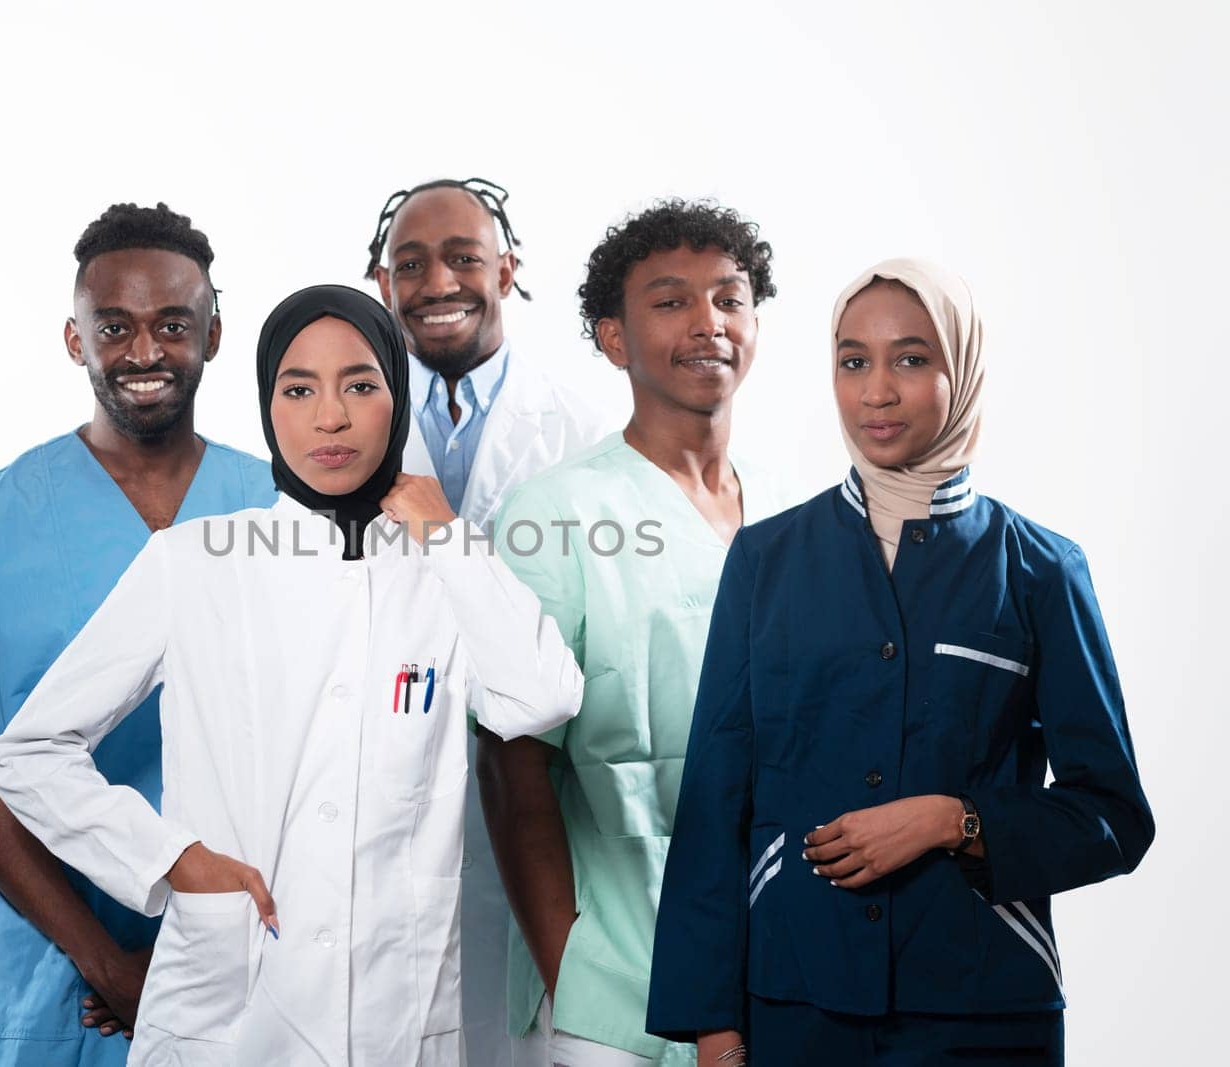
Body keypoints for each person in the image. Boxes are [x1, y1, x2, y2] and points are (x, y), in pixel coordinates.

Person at [0, 284, 584, 1066]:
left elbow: (541, 697)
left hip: (398, 1020)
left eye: (361, 385)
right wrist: (167, 858)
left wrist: (446, 535)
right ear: (268, 403)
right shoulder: (194, 563)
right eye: (298, 388)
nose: (329, 417)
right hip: (229, 1012)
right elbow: (27, 752)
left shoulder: (445, 570)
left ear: (395, 402)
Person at [646, 259, 1155, 1066]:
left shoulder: (1040, 569)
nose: (876, 391)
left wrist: (955, 819)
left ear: (964, 369)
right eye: (854, 361)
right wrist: (712, 1020)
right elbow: (715, 799)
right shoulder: (766, 559)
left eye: (911, 359)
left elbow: (1114, 817)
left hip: (981, 1007)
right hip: (795, 996)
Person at [0, 204, 274, 1066]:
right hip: (45, 965)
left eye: (173, 324)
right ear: (73, 338)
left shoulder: (277, 508)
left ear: (216, 333)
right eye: (113, 327)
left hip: (245, 954)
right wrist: (106, 961)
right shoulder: (0, 516)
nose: (145, 352)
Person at [482, 200, 787, 1066]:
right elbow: (511, 765)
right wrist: (569, 964)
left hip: (775, 970)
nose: (708, 324)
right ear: (613, 338)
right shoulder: (555, 514)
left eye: (729, 298)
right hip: (616, 982)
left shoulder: (791, 513)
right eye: (670, 301)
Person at [366, 177, 623, 1061]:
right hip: (390, 812)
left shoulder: (587, 438)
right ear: (379, 281)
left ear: (507, 268)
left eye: (464, 257)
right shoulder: (340, 432)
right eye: (410, 263)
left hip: (548, 814)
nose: (438, 282)